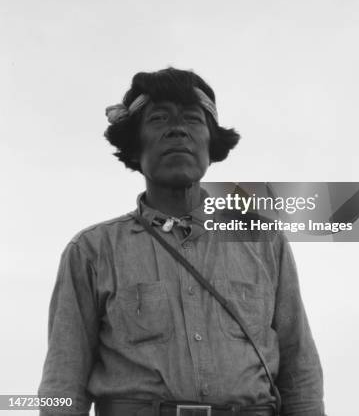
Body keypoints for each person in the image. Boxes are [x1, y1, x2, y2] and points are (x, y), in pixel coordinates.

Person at [38, 67, 326, 416]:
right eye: (158, 119)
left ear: (210, 143)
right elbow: (63, 383)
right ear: (135, 145)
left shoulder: (264, 242)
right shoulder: (91, 251)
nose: (177, 129)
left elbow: (300, 371)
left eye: (192, 119)